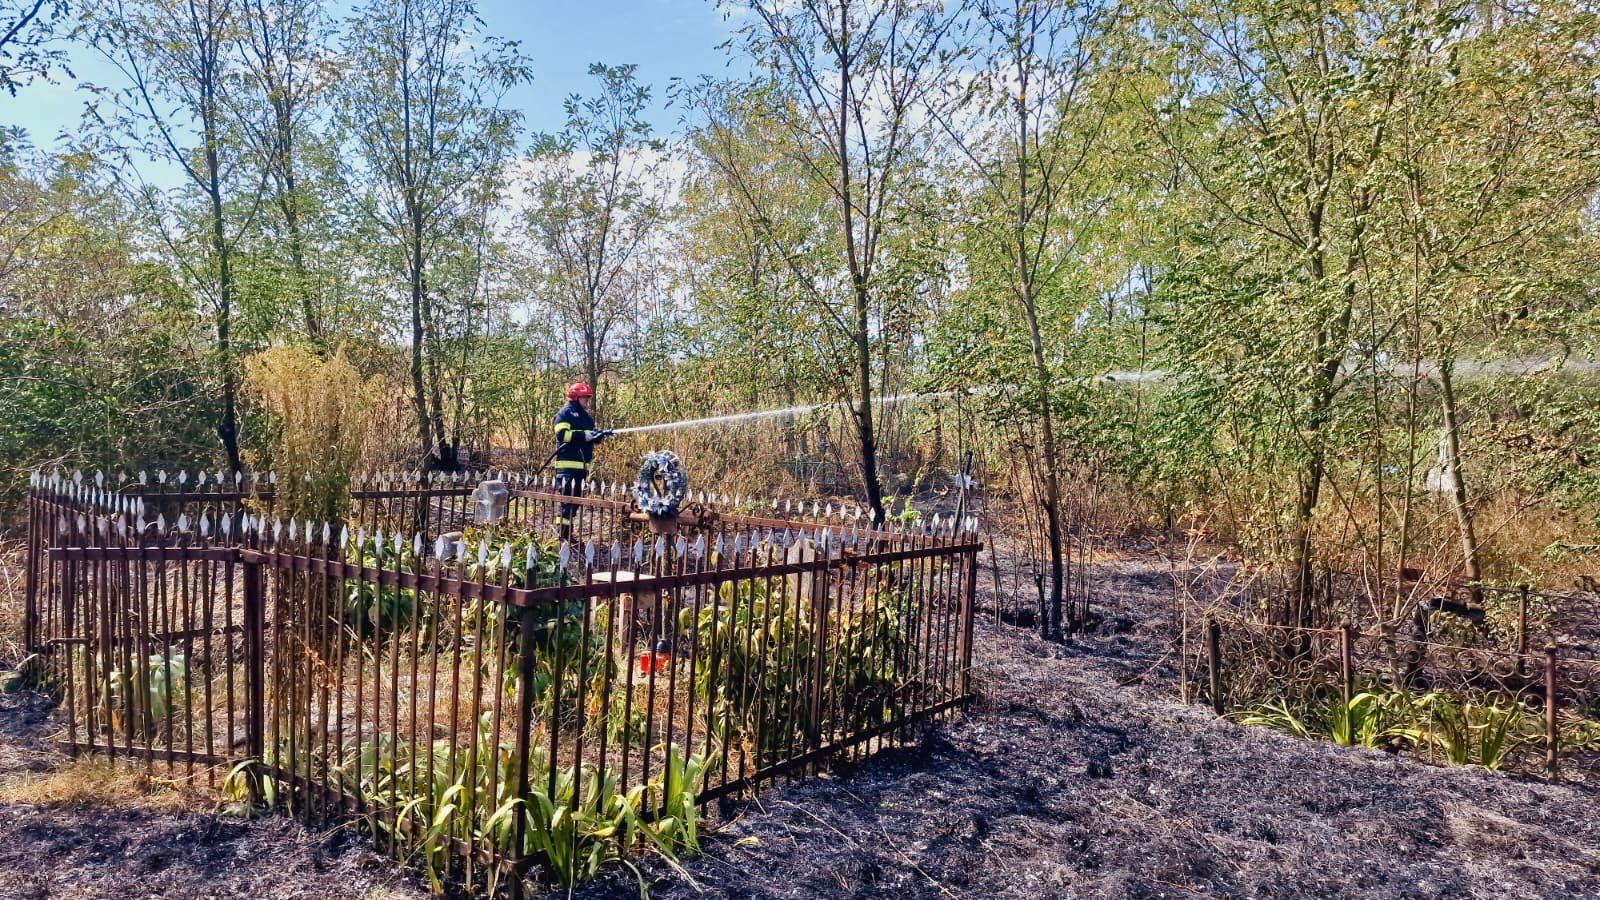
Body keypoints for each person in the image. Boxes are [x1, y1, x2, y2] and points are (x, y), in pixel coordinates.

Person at [552, 381, 611, 540]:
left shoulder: (586, 418)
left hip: (582, 467)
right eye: (585, 398)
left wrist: (597, 436)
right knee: (566, 502)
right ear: (576, 398)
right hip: (566, 468)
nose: (587, 401)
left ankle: (567, 534)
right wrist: (583, 435)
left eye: (588, 398)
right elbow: (562, 435)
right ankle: (562, 536)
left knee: (575, 503)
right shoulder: (565, 414)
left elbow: (590, 437)